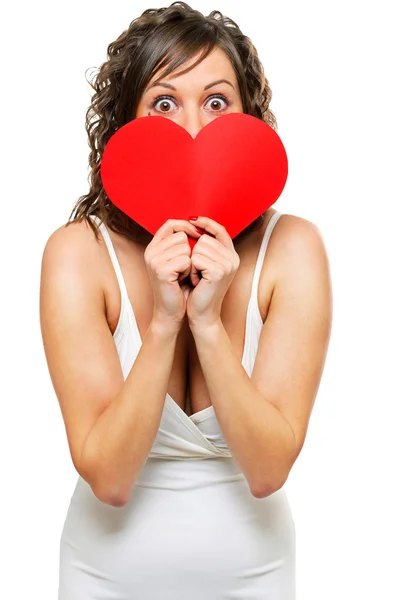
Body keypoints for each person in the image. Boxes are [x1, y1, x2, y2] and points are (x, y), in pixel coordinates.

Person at [39, 2, 332, 598]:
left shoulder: (293, 248)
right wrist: (166, 320)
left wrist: (211, 325)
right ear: (127, 122)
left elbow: (269, 470)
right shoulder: (77, 254)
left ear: (250, 119)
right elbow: (110, 478)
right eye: (164, 102)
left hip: (255, 577)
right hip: (104, 578)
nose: (193, 127)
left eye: (217, 101)